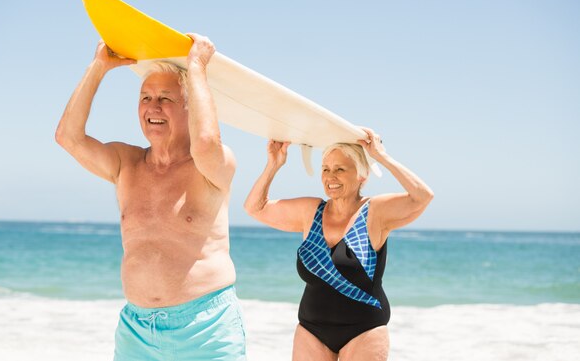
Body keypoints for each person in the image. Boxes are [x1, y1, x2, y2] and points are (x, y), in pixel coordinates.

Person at [55, 34, 246, 361]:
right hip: (137, 332)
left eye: (166, 99)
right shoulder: (124, 163)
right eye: (146, 97)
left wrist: (197, 68)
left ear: (189, 106)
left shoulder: (213, 165)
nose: (153, 107)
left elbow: (204, 141)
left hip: (206, 327)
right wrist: (99, 67)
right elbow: (68, 137)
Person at [244, 131, 434, 361]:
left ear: (361, 176)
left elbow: (422, 196)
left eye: (340, 169)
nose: (330, 176)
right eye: (325, 169)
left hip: (364, 331)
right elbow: (255, 207)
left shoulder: (375, 211)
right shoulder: (310, 211)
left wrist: (381, 157)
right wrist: (273, 165)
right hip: (311, 330)